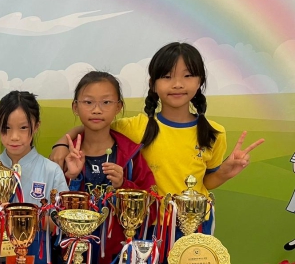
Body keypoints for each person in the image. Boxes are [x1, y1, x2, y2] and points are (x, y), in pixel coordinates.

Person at [51, 42, 264, 202]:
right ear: (153, 84)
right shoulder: (136, 127)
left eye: (188, 76)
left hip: (194, 225)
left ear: (200, 81)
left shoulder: (214, 132)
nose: (178, 84)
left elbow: (205, 182)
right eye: (167, 77)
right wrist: (61, 144)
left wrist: (224, 173)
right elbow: (95, 123)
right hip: (148, 224)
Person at [61, 71, 156, 264]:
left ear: (118, 107)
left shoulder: (131, 156)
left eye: (106, 102)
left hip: (119, 259)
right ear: (75, 107)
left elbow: (152, 208)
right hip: (73, 257)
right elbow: (53, 213)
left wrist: (124, 186)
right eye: (88, 102)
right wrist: (72, 177)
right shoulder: (65, 156)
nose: (97, 110)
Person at [0, 90, 68, 264]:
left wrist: (26, 223)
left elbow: (62, 223)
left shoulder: (51, 171)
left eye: (23, 128)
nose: (14, 137)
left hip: (37, 253)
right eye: (6, 128)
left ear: (36, 126)